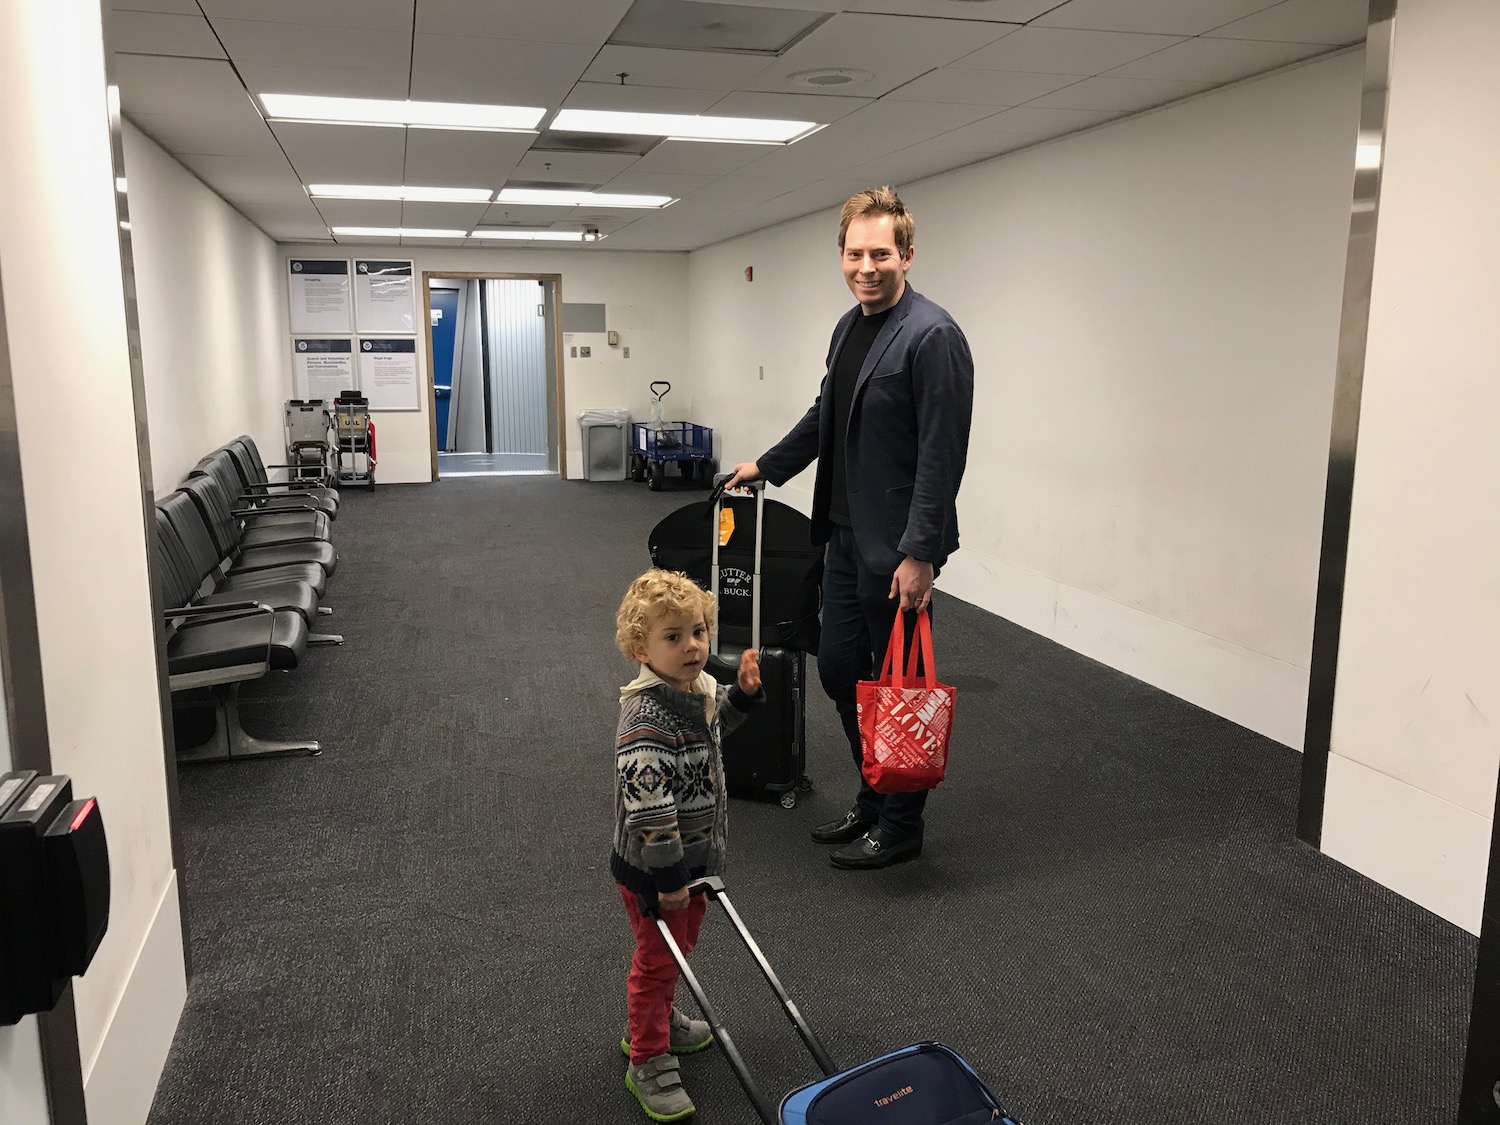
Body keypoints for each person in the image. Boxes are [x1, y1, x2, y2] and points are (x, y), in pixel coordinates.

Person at [726, 185, 973, 871]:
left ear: (907, 254)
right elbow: (825, 414)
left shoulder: (933, 335)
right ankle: (873, 791)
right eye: (856, 253)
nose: (867, 265)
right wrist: (768, 465)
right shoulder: (848, 327)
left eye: (882, 253)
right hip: (839, 534)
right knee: (839, 669)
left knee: (896, 685)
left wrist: (921, 551)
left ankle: (901, 822)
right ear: (842, 254)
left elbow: (941, 453)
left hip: (896, 548)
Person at [611, 568, 763, 1122]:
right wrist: (670, 878)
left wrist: (743, 696)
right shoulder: (646, 718)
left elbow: (716, 720)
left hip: (687, 864)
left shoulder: (692, 690)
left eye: (697, 631)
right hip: (658, 869)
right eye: (672, 637)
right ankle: (647, 1058)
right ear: (640, 648)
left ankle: (659, 1020)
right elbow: (648, 810)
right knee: (656, 959)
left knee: (673, 950)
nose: (692, 646)